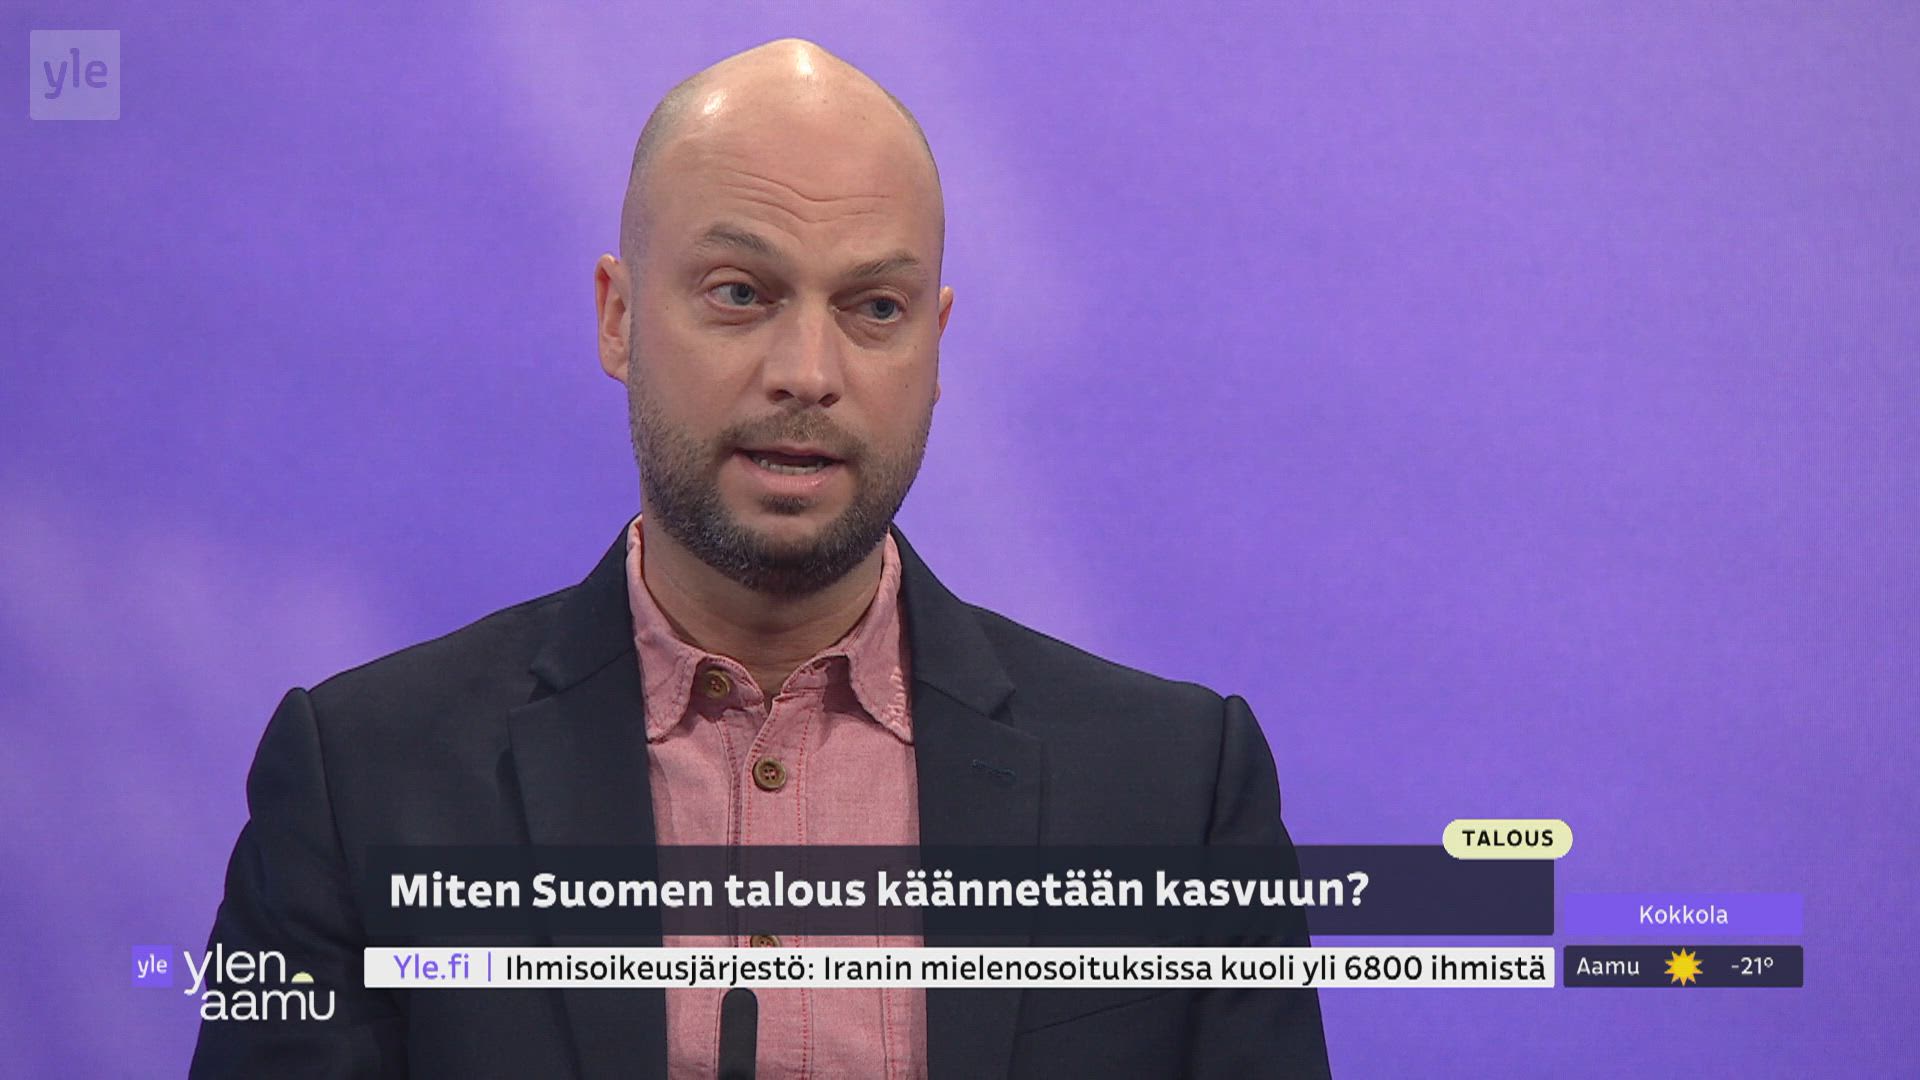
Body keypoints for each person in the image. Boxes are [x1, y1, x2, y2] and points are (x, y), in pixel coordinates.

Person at [192, 37, 1330, 1079]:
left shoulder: (1175, 794)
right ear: (617, 317)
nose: (807, 373)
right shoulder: (364, 781)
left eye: (873, 308)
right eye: (741, 294)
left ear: (937, 347)